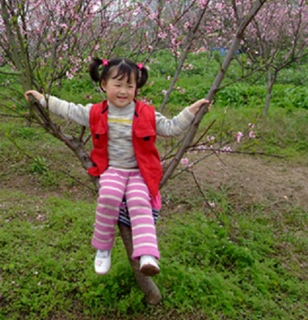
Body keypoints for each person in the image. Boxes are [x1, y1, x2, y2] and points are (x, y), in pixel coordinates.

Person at [25, 57, 209, 276]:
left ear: (136, 88)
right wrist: (42, 98)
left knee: (140, 202)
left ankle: (147, 255)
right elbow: (68, 109)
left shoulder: (147, 114)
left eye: (130, 86)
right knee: (108, 196)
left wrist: (192, 110)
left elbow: (171, 127)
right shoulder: (96, 112)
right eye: (118, 85)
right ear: (104, 85)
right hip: (112, 169)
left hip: (139, 173)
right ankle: (103, 248)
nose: (123, 91)